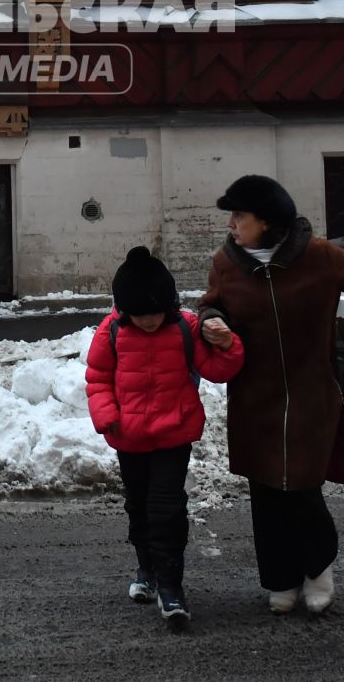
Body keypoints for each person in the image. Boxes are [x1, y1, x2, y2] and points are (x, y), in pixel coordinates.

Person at [197, 175, 344, 616]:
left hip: (311, 390)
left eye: (239, 215)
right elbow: (211, 303)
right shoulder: (226, 262)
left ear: (265, 220)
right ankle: (280, 580)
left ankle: (318, 570)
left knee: (302, 486)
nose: (231, 224)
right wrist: (211, 321)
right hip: (254, 396)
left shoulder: (317, 255)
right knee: (265, 491)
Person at [86, 245, 244, 631]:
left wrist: (226, 344)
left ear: (170, 305)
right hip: (130, 438)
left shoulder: (187, 328)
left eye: (156, 312)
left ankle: (172, 585)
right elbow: (97, 378)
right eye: (140, 314)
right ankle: (146, 569)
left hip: (174, 436)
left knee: (167, 509)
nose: (150, 321)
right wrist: (109, 417)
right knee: (138, 506)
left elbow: (220, 369)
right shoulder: (112, 333)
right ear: (125, 311)